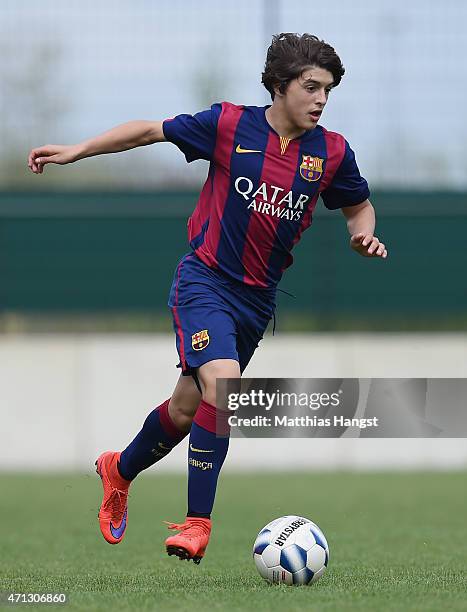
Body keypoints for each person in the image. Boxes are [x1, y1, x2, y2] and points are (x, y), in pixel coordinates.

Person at [27, 32, 387, 564]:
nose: (320, 100)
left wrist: (362, 234)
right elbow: (149, 130)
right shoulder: (229, 125)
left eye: (327, 91)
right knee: (225, 387)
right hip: (206, 281)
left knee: (186, 408)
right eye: (311, 87)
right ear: (279, 86)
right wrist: (78, 150)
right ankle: (197, 524)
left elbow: (358, 206)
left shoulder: (331, 152)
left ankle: (118, 470)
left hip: (257, 302)